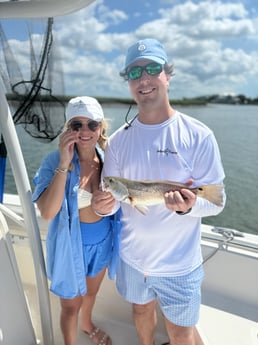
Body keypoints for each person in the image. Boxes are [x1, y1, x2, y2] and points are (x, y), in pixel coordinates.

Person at [91, 38, 226, 345]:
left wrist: (188, 207)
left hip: (179, 264)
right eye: (135, 72)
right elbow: (115, 203)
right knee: (140, 311)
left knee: (180, 332)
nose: (144, 79)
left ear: (167, 74)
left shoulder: (198, 136)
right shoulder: (117, 141)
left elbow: (217, 201)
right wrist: (102, 206)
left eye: (152, 68)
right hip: (132, 259)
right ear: (128, 81)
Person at [32, 96, 113, 345]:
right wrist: (65, 164)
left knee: (91, 293)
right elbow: (47, 212)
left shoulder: (110, 159)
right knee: (70, 306)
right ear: (69, 129)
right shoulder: (53, 162)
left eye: (92, 124)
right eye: (77, 125)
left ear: (101, 128)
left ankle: (87, 323)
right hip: (70, 248)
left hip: (103, 242)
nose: (85, 131)